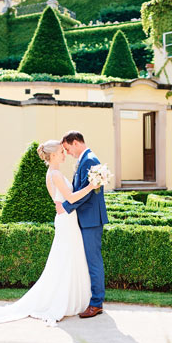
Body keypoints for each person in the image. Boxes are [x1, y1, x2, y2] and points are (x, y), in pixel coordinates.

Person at [0, 140, 97, 327]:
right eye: (61, 151)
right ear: (52, 155)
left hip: (66, 219)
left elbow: (61, 200)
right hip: (67, 220)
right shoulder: (56, 174)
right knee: (66, 259)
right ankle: (64, 302)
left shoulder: (51, 173)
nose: (64, 154)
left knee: (67, 258)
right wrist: (91, 186)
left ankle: (73, 299)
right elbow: (70, 198)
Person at [57, 131, 108, 319]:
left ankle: (96, 303)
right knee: (90, 260)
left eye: (68, 148)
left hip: (92, 220)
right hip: (87, 218)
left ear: (76, 143)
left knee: (94, 261)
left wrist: (65, 206)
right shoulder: (86, 159)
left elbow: (86, 193)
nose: (68, 153)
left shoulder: (89, 160)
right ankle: (94, 300)